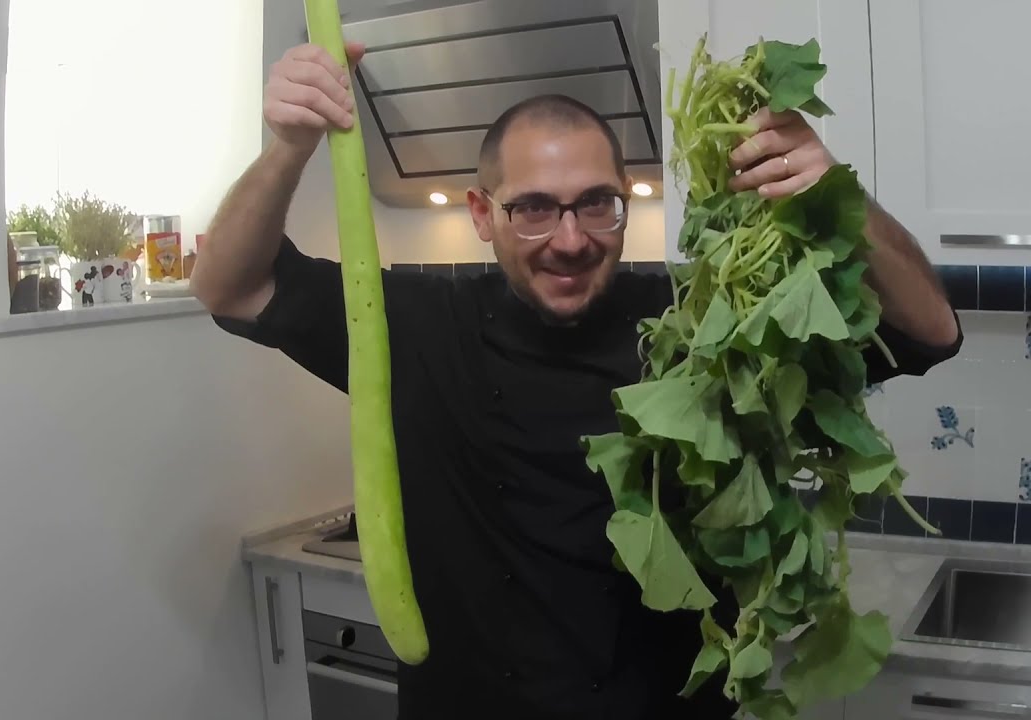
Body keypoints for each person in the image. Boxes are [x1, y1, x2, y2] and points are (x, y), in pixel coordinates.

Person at [192, 40, 963, 720]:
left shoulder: (702, 323)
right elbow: (229, 286)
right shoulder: (412, 321)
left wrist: (842, 199)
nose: (570, 239)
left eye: (598, 204)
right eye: (533, 207)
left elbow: (931, 332)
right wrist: (288, 149)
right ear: (481, 214)